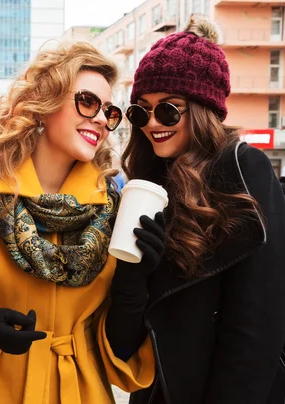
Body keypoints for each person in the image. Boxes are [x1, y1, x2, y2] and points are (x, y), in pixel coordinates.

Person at [0, 41, 157, 403]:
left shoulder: (116, 213)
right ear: (44, 103)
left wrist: (135, 280)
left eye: (109, 112)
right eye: (87, 102)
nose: (101, 119)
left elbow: (122, 353)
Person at [120, 16, 285, 404]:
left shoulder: (245, 171)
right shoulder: (147, 184)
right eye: (141, 112)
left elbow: (255, 327)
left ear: (202, 110)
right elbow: (126, 340)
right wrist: (131, 276)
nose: (152, 124)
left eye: (170, 110)